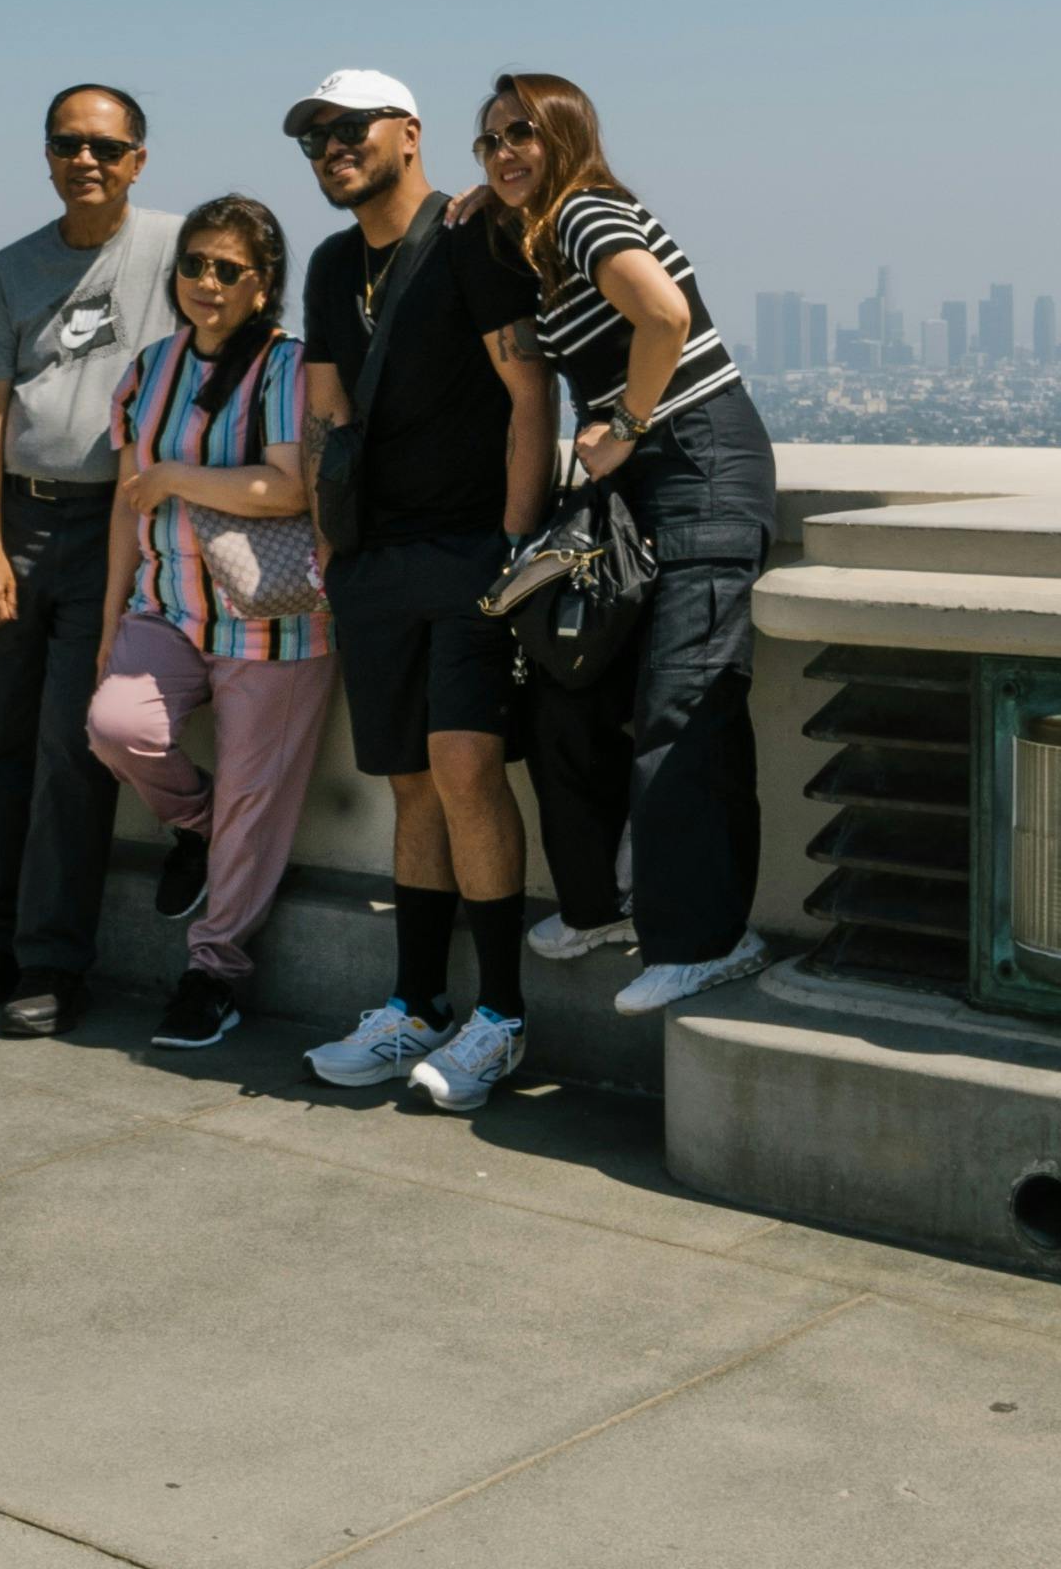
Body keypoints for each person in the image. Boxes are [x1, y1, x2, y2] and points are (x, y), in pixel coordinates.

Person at [280, 70, 556, 1115]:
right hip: (374, 562)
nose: (331, 148)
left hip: (473, 550)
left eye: (350, 128)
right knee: (409, 783)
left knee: (466, 766)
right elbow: (325, 413)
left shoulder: (472, 238)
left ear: (407, 132)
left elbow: (529, 393)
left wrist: (516, 545)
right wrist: (331, 551)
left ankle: (502, 1018)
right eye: (314, 138)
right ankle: (416, 1004)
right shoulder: (330, 263)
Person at [480, 72, 777, 1015]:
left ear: (567, 134)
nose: (504, 152)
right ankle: (600, 907)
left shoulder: (585, 211)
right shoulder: (550, 228)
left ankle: (707, 940)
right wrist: (484, 200)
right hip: (644, 488)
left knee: (684, 704)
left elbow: (665, 315)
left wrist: (628, 425)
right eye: (489, 140)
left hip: (700, 465)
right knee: (573, 690)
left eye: (522, 133)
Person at [0, 86, 182, 1039]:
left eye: (106, 147)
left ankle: (50, 961)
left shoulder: (175, 247)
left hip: (114, 525)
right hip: (19, 522)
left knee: (72, 752)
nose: (86, 161)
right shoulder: (12, 267)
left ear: (138, 159)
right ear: (47, 157)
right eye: (67, 144)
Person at [82, 194, 334, 1050]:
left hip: (274, 619)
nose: (207, 282)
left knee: (257, 806)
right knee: (118, 727)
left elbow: (290, 488)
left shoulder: (288, 368)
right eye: (194, 263)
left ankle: (213, 972)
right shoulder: (150, 369)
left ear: (263, 284)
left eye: (229, 269)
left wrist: (177, 477)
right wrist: (110, 620)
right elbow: (125, 509)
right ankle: (198, 826)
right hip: (166, 604)